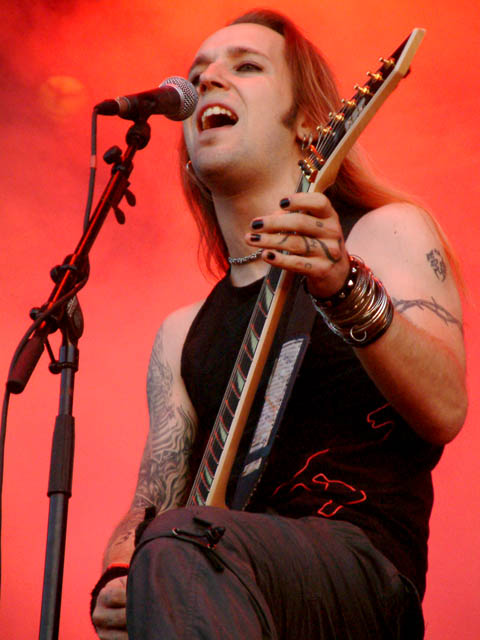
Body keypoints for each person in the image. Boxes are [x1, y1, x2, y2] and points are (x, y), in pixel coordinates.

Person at [91, 9, 467, 639]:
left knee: (180, 541)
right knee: (172, 545)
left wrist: (343, 287)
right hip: (220, 581)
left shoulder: (385, 232)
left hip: (361, 576)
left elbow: (446, 407)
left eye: (246, 66)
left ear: (311, 125)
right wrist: (123, 573)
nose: (209, 80)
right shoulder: (182, 335)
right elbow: (150, 504)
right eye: (198, 75)